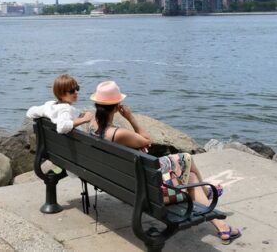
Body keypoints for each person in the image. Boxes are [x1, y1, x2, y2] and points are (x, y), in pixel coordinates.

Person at [87, 80, 242, 245]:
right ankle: (207, 193)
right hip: (146, 194)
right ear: (118, 105)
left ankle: (221, 223)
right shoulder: (117, 133)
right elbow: (147, 140)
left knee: (191, 178)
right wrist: (130, 117)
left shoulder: (92, 125)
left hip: (121, 183)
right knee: (186, 160)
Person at [26, 74, 94, 134]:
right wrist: (84, 119)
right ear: (61, 94)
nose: (76, 92)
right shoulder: (66, 109)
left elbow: (30, 112)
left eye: (77, 88)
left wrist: (49, 114)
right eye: (72, 91)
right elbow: (61, 128)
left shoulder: (50, 106)